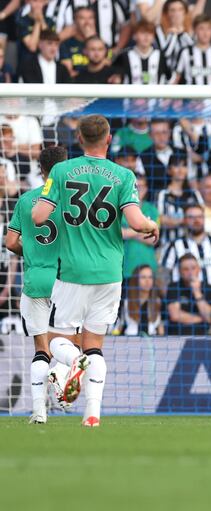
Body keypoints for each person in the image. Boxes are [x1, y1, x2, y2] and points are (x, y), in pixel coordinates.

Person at [31, 115, 160, 427]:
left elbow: (38, 216)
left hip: (72, 271)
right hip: (109, 274)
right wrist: (152, 225)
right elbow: (135, 221)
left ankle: (75, 361)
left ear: (78, 138)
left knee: (56, 337)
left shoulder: (61, 171)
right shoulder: (123, 176)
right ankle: (92, 415)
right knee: (95, 344)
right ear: (109, 139)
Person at [4, 146, 70, 424]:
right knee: (71, 344)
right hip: (66, 280)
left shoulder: (26, 200)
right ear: (65, 167)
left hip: (34, 279)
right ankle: (62, 372)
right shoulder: (73, 202)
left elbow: (9, 243)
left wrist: (30, 253)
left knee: (40, 348)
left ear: (41, 170)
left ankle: (39, 412)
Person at [160, 204, 211, 305]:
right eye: (191, 217)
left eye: (199, 216)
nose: (196, 220)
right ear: (184, 220)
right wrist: (172, 302)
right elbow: (161, 275)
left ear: (204, 218)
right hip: (184, 309)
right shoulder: (175, 245)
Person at [165, 253, 211, 335]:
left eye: (193, 268)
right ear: (180, 272)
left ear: (199, 269)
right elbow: (175, 315)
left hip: (204, 337)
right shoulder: (174, 287)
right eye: (186, 269)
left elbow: (209, 317)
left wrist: (196, 292)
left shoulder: (210, 288)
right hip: (178, 335)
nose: (190, 272)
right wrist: (202, 318)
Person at [174, 14, 211, 85]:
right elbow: (176, 77)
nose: (205, 33)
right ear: (195, 30)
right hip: (191, 95)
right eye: (201, 28)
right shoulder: (185, 52)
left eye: (208, 29)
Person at [118, 264, 163, 336]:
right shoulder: (125, 301)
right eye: (143, 277)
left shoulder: (158, 301)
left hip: (152, 342)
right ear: (136, 280)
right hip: (130, 342)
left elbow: (160, 327)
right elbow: (119, 327)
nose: (147, 281)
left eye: (150, 277)